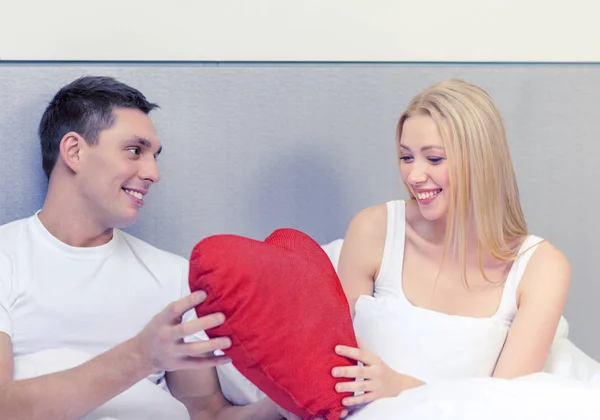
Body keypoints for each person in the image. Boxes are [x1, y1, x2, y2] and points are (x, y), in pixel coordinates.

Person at [0, 76, 283, 419]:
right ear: (74, 151)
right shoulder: (8, 258)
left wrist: (287, 407)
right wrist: (140, 356)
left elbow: (206, 412)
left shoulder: (173, 275)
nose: (153, 173)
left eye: (154, 156)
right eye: (135, 151)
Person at [330, 78, 571, 409]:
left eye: (434, 159)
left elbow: (505, 406)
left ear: (481, 161)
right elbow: (333, 362)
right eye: (406, 157)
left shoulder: (541, 268)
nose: (414, 176)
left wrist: (403, 386)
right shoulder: (374, 230)